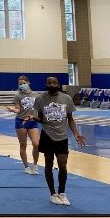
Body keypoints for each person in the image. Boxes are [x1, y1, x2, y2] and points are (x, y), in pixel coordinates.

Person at [25, 76, 86, 206]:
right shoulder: (40, 99)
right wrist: (33, 118)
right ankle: (53, 194)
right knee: (48, 164)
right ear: (46, 84)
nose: (52, 84)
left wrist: (76, 134)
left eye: (54, 82)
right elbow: (41, 118)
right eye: (49, 82)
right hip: (47, 135)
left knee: (63, 165)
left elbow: (70, 119)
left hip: (62, 137)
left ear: (58, 84)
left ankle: (62, 193)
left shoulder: (67, 99)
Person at [6, 75, 40, 174]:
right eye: (20, 84)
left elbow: (39, 108)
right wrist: (13, 110)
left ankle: (35, 165)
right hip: (21, 121)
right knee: (23, 144)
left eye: (24, 83)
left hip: (32, 121)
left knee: (36, 143)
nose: (22, 85)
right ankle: (26, 167)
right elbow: (18, 109)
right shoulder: (18, 96)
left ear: (28, 83)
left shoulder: (36, 95)